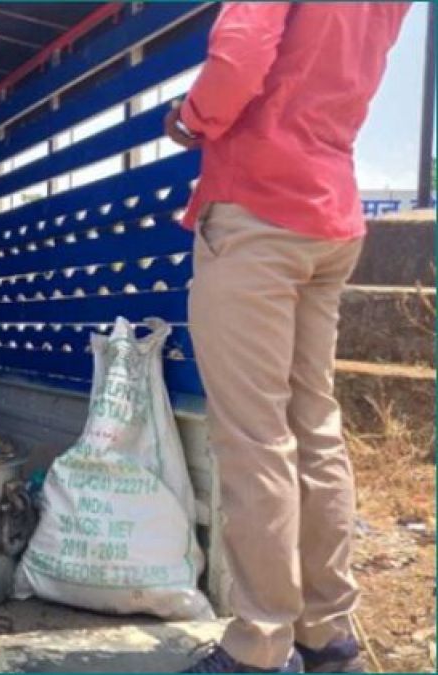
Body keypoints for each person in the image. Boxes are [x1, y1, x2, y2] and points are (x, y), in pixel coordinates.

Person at [163, 3, 410, 673]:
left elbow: (239, 56)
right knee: (314, 427)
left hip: (257, 208)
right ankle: (324, 633)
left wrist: (189, 119)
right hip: (330, 213)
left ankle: (258, 645)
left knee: (253, 436)